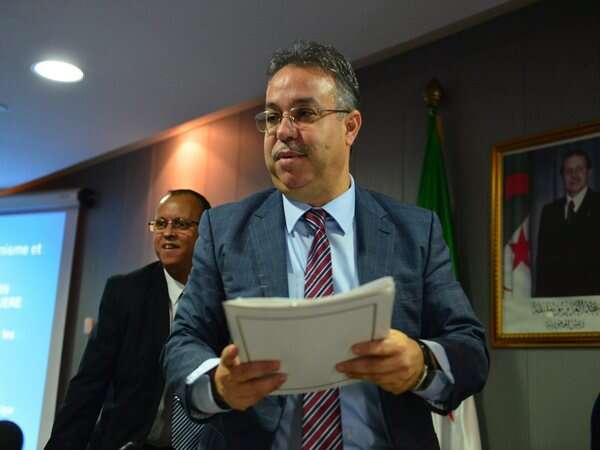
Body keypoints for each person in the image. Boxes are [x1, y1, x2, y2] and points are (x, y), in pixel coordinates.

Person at [163, 41, 489, 450]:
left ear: (350, 127)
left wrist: (421, 365)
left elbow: (469, 348)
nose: (283, 131)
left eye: (303, 113)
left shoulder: (415, 230)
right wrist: (218, 384)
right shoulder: (223, 230)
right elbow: (183, 342)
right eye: (272, 116)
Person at [45, 189, 210, 450]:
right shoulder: (126, 292)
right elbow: (89, 384)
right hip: (128, 443)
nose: (168, 233)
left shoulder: (223, 294)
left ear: (207, 232)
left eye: (180, 224)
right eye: (160, 223)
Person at [535, 149, 600, 297]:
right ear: (562, 176)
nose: (574, 175)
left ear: (589, 172)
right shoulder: (549, 211)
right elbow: (542, 265)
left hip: (593, 302)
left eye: (579, 169)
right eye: (568, 171)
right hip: (555, 303)